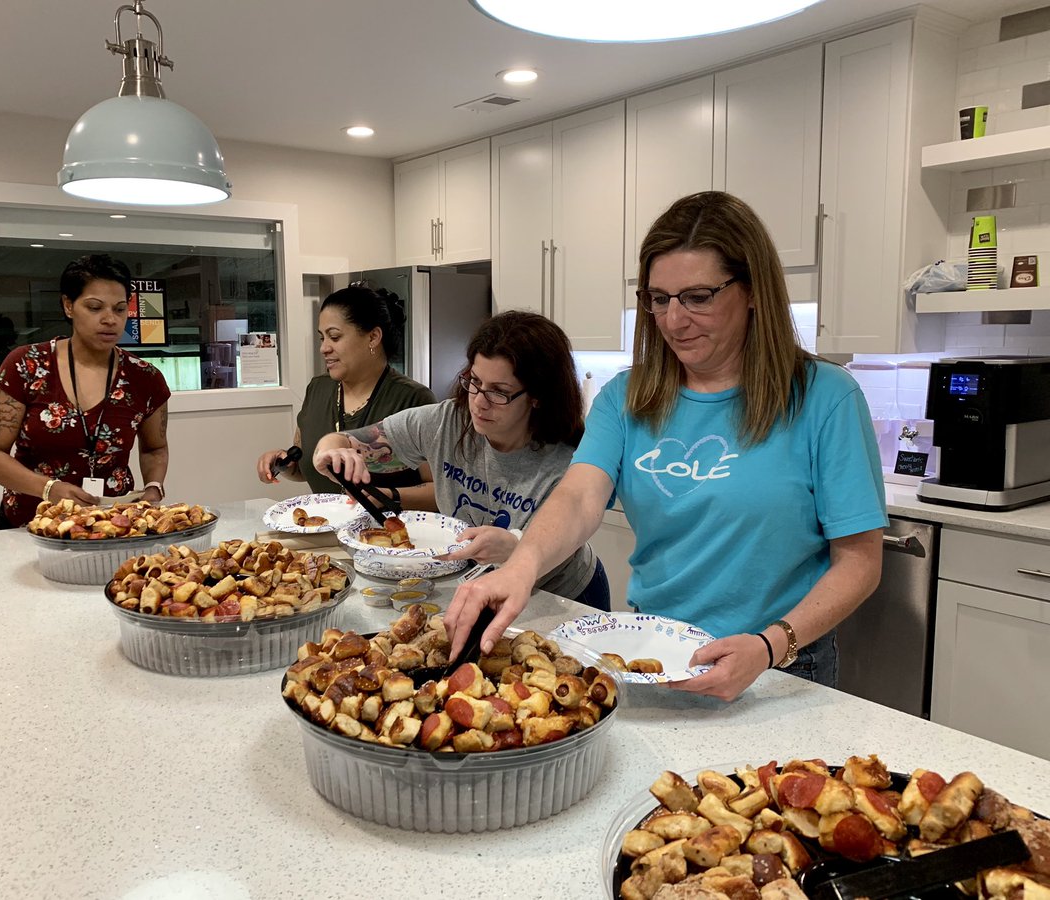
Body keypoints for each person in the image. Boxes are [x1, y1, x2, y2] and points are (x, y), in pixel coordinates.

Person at [446, 192, 886, 699]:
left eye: (698, 297)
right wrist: (522, 567)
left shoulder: (825, 398)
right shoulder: (627, 397)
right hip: (650, 649)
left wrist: (768, 646)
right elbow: (579, 497)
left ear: (753, 291)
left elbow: (859, 561)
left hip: (780, 665)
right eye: (659, 299)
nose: (674, 320)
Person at [312, 311, 610, 610]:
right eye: (475, 382)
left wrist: (516, 545)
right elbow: (347, 440)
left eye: (499, 392)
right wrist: (332, 450)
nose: (479, 401)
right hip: (481, 585)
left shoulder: (571, 459)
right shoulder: (446, 421)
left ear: (538, 397)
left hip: (559, 595)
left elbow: (566, 530)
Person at [0, 254, 170, 528]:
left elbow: (155, 448)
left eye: (119, 309)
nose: (109, 320)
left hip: (110, 524)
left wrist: (153, 487)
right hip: (31, 523)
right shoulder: (27, 365)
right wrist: (49, 489)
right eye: (94, 307)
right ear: (68, 306)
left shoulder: (144, 377)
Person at [257, 284, 435, 502]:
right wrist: (283, 463)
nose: (324, 348)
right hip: (325, 529)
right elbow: (305, 469)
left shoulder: (413, 398)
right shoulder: (318, 389)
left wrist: (386, 497)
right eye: (322, 338)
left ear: (373, 337)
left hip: (388, 533)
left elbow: (439, 489)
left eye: (335, 337)